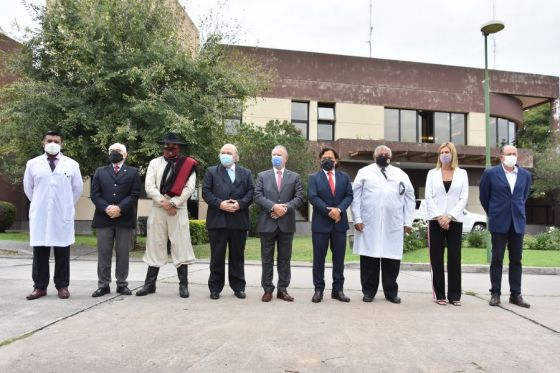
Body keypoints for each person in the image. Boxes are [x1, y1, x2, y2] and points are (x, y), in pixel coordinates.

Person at [23, 130, 83, 300]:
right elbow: (29, 189)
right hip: (41, 214)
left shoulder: (71, 164)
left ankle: (62, 286)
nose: (53, 143)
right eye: (49, 140)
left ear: (61, 144)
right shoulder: (33, 164)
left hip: (61, 214)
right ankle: (40, 287)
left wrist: (64, 204)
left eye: (56, 141)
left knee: (62, 252)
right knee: (39, 253)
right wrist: (41, 203)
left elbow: (77, 189)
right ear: (43, 142)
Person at [351, 145, 415, 304]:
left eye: (386, 154)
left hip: (393, 224)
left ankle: (391, 292)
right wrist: (357, 218)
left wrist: (408, 221)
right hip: (368, 223)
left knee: (391, 260)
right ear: (374, 157)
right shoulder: (364, 173)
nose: (384, 156)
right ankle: (368, 292)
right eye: (380, 154)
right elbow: (355, 197)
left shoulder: (400, 174)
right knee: (369, 260)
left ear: (391, 157)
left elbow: (409, 198)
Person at [136, 133, 197, 298]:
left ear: (179, 148)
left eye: (173, 146)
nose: (169, 149)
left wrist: (174, 203)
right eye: (166, 146)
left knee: (181, 245)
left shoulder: (188, 165)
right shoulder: (154, 163)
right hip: (158, 208)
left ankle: (183, 286)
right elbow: (149, 186)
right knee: (155, 244)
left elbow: (189, 188)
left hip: (178, 209)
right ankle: (149, 285)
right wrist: (164, 202)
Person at [479, 145, 532, 308]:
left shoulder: (525, 175)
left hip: (517, 222)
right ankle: (495, 293)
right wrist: (494, 213)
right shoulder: (490, 173)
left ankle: (516, 295)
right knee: (497, 259)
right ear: (502, 157)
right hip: (498, 221)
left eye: (515, 154)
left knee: (516, 259)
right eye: (509, 154)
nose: (512, 156)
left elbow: (524, 196)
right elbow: (483, 197)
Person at [202, 143, 254, 300]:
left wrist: (240, 204)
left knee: (237, 257)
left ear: (236, 156)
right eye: (222, 152)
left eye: (229, 153)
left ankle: (238, 287)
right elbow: (205, 191)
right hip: (218, 221)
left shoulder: (246, 172)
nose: (225, 155)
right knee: (217, 256)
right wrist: (220, 204)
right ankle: (215, 288)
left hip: (239, 220)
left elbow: (251, 192)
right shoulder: (211, 171)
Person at [90, 143, 141, 297]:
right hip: (103, 218)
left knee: (123, 253)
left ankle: (122, 284)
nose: (115, 153)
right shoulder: (100, 171)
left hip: (124, 218)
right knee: (104, 253)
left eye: (118, 151)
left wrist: (120, 208)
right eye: (112, 151)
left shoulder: (133, 172)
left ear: (125, 154)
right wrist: (107, 208)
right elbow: (95, 194)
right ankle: (103, 284)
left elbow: (135, 193)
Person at [254, 145, 304, 302]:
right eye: (274, 154)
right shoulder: (262, 175)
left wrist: (285, 208)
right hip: (267, 223)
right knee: (266, 258)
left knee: (284, 259)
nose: (276, 156)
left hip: (286, 224)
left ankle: (282, 289)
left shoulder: (295, 177)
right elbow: (257, 195)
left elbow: (299, 197)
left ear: (286, 158)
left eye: (279, 154)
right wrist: (273, 207)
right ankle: (267, 289)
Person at [425, 142, 469, 306]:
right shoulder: (432, 173)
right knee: (436, 258)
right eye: (442, 152)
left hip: (455, 220)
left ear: (453, 154)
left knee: (454, 257)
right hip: (435, 220)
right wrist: (440, 217)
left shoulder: (462, 173)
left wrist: (450, 216)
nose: (444, 154)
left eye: (447, 152)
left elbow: (464, 197)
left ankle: (455, 295)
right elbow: (428, 196)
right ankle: (440, 295)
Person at [308, 147, 353, 303]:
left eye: (330, 157)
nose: (327, 160)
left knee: (339, 259)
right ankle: (318, 290)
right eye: (324, 157)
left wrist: (339, 210)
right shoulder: (313, 178)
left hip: (339, 224)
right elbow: (313, 197)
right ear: (320, 160)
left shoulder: (344, 177)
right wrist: (330, 211)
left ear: (336, 160)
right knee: (319, 259)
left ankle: (338, 290)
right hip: (321, 224)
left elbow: (349, 195)